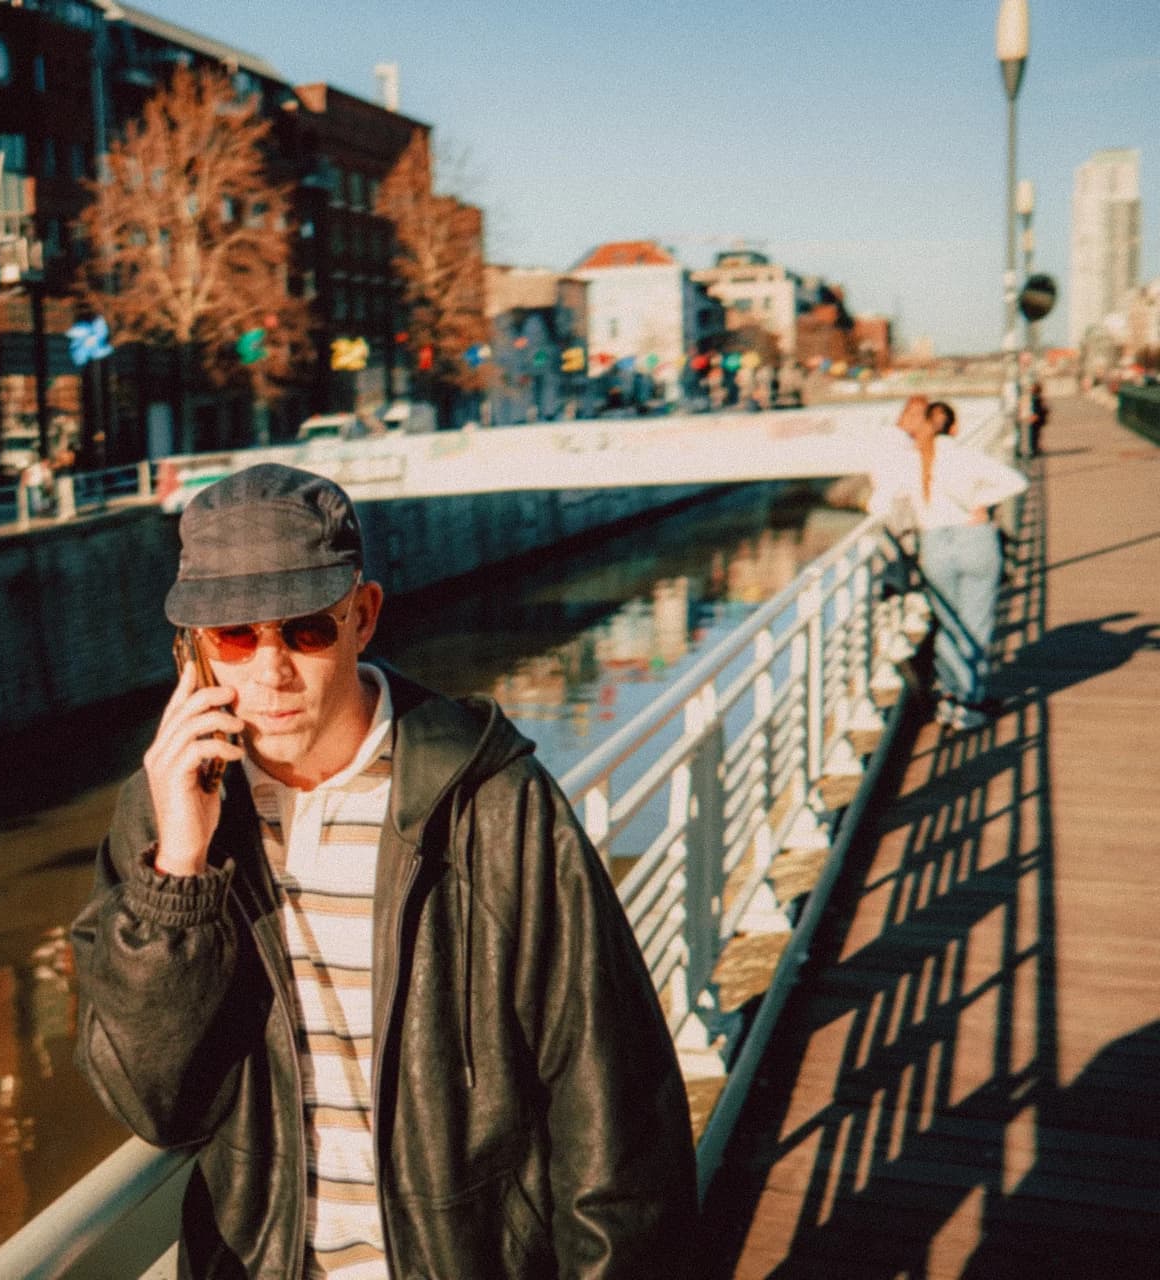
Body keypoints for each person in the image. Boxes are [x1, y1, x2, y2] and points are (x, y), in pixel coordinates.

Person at [72, 464, 698, 1278]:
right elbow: (150, 1105)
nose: (270, 672)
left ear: (362, 617)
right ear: (192, 652)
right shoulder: (170, 817)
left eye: (304, 629)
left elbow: (616, 1116)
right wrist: (179, 874)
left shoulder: (492, 805)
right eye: (234, 636)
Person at [870, 397, 1027, 731]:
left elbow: (879, 503)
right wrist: (980, 503)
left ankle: (951, 697)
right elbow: (1017, 481)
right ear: (955, 428)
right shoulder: (967, 456)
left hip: (935, 545)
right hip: (976, 540)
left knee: (949, 624)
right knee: (976, 625)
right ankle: (969, 701)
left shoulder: (911, 462)